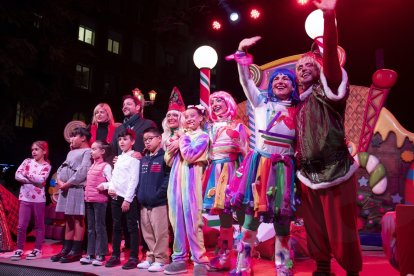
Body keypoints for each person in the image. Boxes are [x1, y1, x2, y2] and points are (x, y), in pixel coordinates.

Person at [294, 0, 362, 275]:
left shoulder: (329, 92)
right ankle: (322, 266)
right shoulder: (297, 105)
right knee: (315, 227)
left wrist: (329, 17)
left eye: (310, 65)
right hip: (308, 174)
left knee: (342, 228)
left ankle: (352, 270)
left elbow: (331, 63)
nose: (304, 68)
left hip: (337, 171)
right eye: (299, 67)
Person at [227, 37, 299, 275]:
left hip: (284, 170)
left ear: (293, 87)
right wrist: (240, 52)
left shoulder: (299, 109)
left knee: (283, 227)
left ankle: (284, 267)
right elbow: (245, 79)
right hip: (260, 168)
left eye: (286, 79)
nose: (280, 81)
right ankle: (243, 265)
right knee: (250, 223)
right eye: (276, 78)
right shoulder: (260, 103)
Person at [203, 91, 249, 272]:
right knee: (224, 217)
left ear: (228, 103)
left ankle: (244, 258)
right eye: (212, 101)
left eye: (219, 100)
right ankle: (224, 257)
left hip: (233, 170)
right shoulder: (208, 127)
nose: (215, 104)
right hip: (215, 171)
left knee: (242, 214)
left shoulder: (238, 126)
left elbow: (246, 152)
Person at [164, 105, 210, 275]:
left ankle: (200, 260)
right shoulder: (180, 136)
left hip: (192, 183)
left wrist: (181, 140)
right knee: (177, 221)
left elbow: (190, 155)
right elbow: (168, 159)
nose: (189, 119)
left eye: (193, 116)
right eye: (187, 116)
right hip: (175, 182)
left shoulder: (203, 137)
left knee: (193, 220)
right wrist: (174, 144)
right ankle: (179, 258)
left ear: (200, 119)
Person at [101, 129, 140, 270]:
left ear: (132, 141)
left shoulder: (134, 158)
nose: (122, 142)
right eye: (120, 139)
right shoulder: (118, 158)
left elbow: (133, 179)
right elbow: (115, 177)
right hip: (116, 197)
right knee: (116, 227)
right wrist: (111, 187)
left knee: (131, 228)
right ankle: (115, 256)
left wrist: (128, 199)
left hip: (127, 198)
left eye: (125, 139)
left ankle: (134, 257)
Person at [51, 127, 92, 263]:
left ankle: (76, 250)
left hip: (76, 188)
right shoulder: (71, 152)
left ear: (83, 138)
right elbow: (61, 168)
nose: (71, 139)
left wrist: (67, 183)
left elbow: (83, 171)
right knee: (68, 217)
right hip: (66, 188)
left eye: (74, 136)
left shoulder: (87, 151)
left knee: (78, 218)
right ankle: (66, 248)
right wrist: (60, 180)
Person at [136, 127, 170, 272]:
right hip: (144, 203)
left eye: (150, 138)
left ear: (159, 139)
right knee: (147, 232)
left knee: (160, 232)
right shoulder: (144, 158)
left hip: (159, 203)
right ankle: (151, 257)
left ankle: (161, 259)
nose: (147, 142)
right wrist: (140, 194)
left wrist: (158, 195)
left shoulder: (165, 157)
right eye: (145, 140)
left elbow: (167, 179)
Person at [11, 141, 51, 260]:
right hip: (25, 197)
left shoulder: (46, 166)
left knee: (39, 225)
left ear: (44, 151)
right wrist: (33, 180)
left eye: (37, 149)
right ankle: (19, 249)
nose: (33, 151)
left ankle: (37, 249)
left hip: (39, 200)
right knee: (21, 225)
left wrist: (26, 174)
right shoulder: (27, 161)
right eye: (32, 149)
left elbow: (41, 179)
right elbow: (17, 175)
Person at [79, 140, 113, 266]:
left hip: (100, 201)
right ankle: (90, 254)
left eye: (94, 149)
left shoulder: (106, 166)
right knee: (90, 228)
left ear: (102, 151)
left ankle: (101, 254)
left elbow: (112, 182)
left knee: (100, 227)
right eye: (91, 149)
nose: (91, 152)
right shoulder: (92, 166)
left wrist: (104, 185)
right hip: (89, 200)